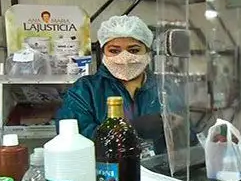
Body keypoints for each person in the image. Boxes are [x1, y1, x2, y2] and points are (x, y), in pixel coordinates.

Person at [57, 15, 178, 153]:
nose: (124, 58)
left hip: (158, 170)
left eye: (134, 50)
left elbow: (186, 139)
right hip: (106, 170)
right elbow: (75, 139)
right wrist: (131, 129)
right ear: (103, 54)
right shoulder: (85, 90)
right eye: (114, 51)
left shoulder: (165, 86)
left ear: (148, 52)